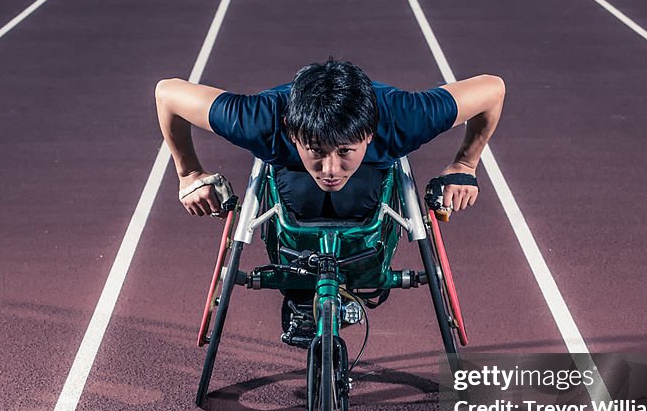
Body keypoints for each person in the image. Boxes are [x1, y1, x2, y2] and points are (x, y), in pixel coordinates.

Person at [155, 58, 504, 344]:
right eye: (317, 153)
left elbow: (491, 88)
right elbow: (168, 93)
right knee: (302, 194)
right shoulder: (260, 119)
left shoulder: (403, 117)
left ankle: (355, 273)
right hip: (292, 177)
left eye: (345, 152)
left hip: (370, 179)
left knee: (359, 197)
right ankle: (302, 285)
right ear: (293, 133)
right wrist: (189, 174)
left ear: (369, 133)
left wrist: (465, 165)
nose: (331, 169)